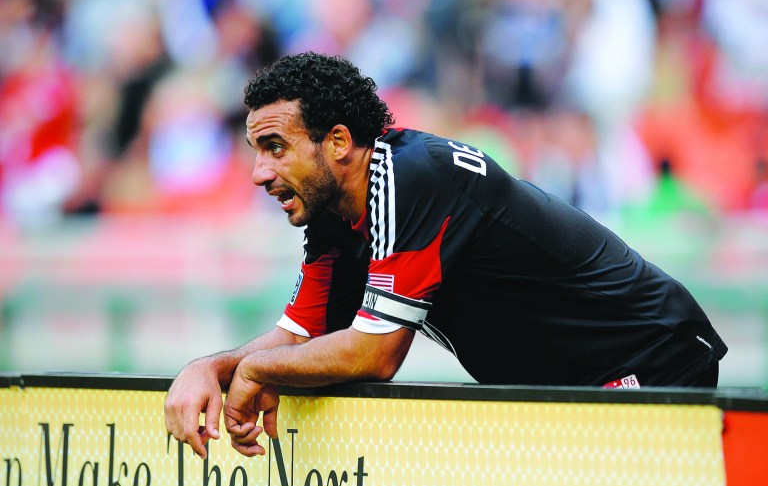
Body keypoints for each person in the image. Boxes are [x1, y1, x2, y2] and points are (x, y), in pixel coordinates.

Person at [164, 52, 727, 459]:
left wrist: (256, 370)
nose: (260, 173)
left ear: (337, 143)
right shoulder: (335, 215)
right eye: (256, 151)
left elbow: (373, 355)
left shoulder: (412, 178)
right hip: (570, 385)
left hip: (649, 359)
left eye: (275, 148)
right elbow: (301, 334)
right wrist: (209, 367)